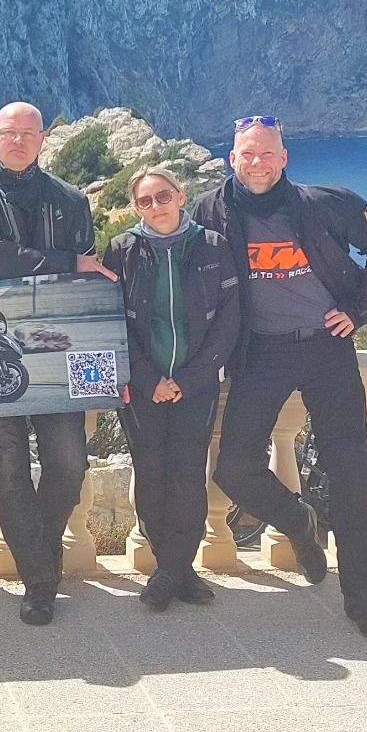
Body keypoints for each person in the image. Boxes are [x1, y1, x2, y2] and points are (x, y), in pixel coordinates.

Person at [191, 116, 367, 641]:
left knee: (350, 471)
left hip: (327, 348)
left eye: (267, 153)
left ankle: (363, 599)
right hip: (260, 353)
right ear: (232, 160)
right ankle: (297, 521)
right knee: (233, 468)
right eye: (247, 154)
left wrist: (358, 310)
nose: (257, 163)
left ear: (284, 158)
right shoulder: (209, 211)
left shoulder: (326, 203)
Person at [0, 102, 117, 625]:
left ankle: (38, 553)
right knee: (8, 467)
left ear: (43, 139)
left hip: (55, 352)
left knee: (70, 463)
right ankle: (40, 582)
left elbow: (84, 286)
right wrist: (64, 263)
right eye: (9, 132)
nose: (18, 141)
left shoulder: (69, 200)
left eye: (28, 133)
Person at [103, 167, 241, 610]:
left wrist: (189, 379)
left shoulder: (213, 245)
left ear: (181, 196)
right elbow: (113, 320)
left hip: (195, 386)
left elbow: (229, 319)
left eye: (163, 196)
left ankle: (170, 573)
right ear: (136, 207)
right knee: (151, 475)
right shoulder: (122, 249)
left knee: (187, 476)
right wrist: (149, 379)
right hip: (142, 387)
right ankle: (175, 569)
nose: (156, 206)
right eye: (145, 201)